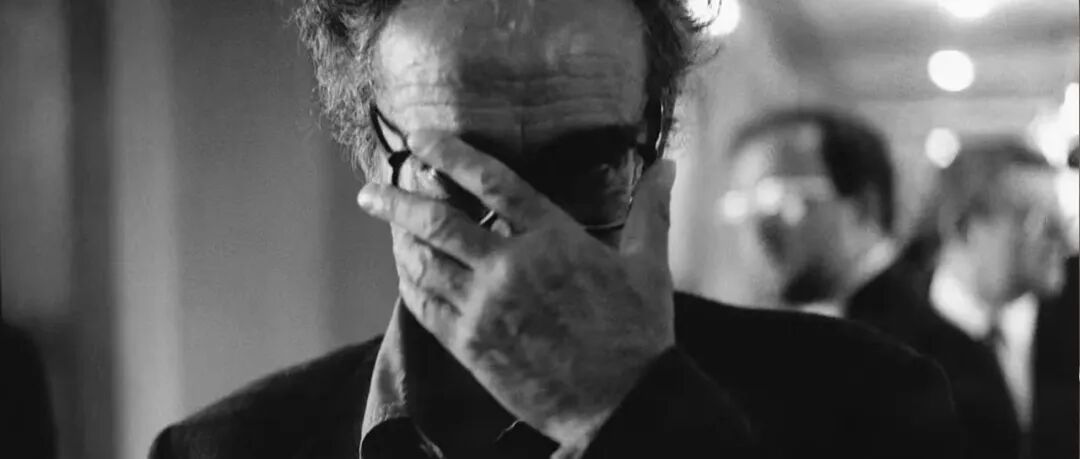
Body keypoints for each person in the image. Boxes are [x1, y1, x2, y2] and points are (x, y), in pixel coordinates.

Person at [150, 2, 958, 458]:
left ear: (652, 142)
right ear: (372, 151)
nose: (520, 241)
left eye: (586, 166)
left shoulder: (869, 405)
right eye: (461, 170)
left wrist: (634, 412)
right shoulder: (221, 452)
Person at [871, 138, 1076, 459]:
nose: (1062, 239)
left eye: (1061, 218)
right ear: (964, 227)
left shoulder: (1072, 319)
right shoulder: (890, 341)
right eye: (1037, 221)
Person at [723, 108, 919, 321]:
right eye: (744, 206)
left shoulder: (913, 336)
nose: (758, 232)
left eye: (778, 200)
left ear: (863, 207)